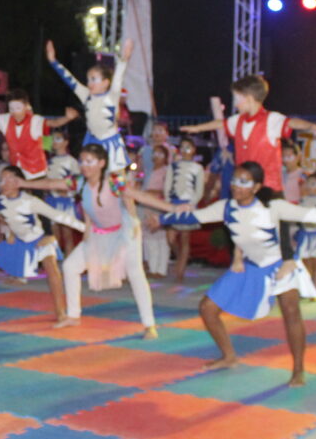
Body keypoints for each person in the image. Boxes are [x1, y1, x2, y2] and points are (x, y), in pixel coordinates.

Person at [132, 161, 316, 386]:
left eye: (244, 182)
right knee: (207, 308)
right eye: (235, 180)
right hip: (250, 267)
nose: (237, 185)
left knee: (291, 312)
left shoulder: (274, 207)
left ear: (256, 187)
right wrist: (162, 220)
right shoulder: (225, 207)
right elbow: (193, 216)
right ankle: (229, 356)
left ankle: (298, 369)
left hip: (280, 265)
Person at [22, 144, 158, 338]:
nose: (84, 165)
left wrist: (135, 219)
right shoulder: (80, 182)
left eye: (89, 161)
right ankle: (73, 315)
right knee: (70, 266)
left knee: (135, 274)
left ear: (101, 163)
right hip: (99, 233)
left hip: (125, 231)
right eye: (82, 161)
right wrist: (22, 183)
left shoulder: (113, 180)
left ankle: (149, 325)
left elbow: (130, 198)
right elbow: (53, 184)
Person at [181, 74, 316, 196]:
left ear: (249, 98)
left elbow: (292, 122)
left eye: (237, 98)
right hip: (243, 190)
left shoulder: (271, 120)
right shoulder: (237, 121)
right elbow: (220, 123)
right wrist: (197, 128)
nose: (235, 103)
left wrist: (312, 126)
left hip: (267, 189)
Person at [0, 165, 85, 318]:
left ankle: (60, 312)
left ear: (18, 182)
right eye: (2, 179)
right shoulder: (0, 201)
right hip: (19, 242)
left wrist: (85, 228)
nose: (3, 183)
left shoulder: (30, 201)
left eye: (8, 179)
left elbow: (58, 216)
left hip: (39, 240)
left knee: (52, 269)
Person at [45, 37, 133, 171]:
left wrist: (125, 59)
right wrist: (53, 61)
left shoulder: (112, 96)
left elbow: (118, 77)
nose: (89, 83)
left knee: (114, 179)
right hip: (92, 142)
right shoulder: (86, 95)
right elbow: (69, 79)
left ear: (106, 83)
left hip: (110, 143)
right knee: (89, 176)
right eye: (88, 80)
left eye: (94, 79)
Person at [166, 136, 206, 283]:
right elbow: (168, 185)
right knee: (170, 237)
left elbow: (199, 190)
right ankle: (181, 257)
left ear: (194, 150)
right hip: (174, 203)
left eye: (188, 147)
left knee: (184, 237)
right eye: (182, 147)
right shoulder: (173, 166)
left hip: (188, 204)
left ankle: (180, 270)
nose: (185, 150)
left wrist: (192, 204)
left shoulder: (198, 168)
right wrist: (167, 202)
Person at [140, 145, 173, 277]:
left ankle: (161, 269)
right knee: (149, 237)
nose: (156, 157)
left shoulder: (167, 171)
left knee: (161, 238)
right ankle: (153, 268)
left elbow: (167, 190)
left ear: (166, 157)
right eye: (154, 154)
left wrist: (151, 192)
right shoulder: (148, 170)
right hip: (146, 205)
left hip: (159, 205)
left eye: (160, 154)